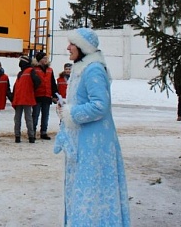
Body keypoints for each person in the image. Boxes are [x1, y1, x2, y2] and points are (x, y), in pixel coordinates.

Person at [54, 28, 130, 226]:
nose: (68, 48)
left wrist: (70, 113)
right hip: (83, 142)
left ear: (83, 47)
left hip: (94, 145)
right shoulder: (82, 68)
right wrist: (65, 107)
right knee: (84, 190)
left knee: (92, 190)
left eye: (72, 44)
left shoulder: (93, 69)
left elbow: (100, 106)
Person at [12, 56, 40, 143]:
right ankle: (19, 136)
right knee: (19, 118)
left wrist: (30, 90)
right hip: (20, 98)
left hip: (25, 98)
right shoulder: (21, 73)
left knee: (26, 118)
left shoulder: (30, 71)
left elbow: (37, 82)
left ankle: (30, 136)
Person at [32, 52, 58, 140]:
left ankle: (43, 132)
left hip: (47, 95)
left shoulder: (50, 70)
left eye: (46, 58)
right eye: (44, 58)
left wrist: (54, 94)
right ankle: (33, 132)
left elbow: (53, 83)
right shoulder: (34, 69)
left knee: (45, 115)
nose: (46, 59)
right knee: (35, 114)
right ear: (39, 59)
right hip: (37, 95)